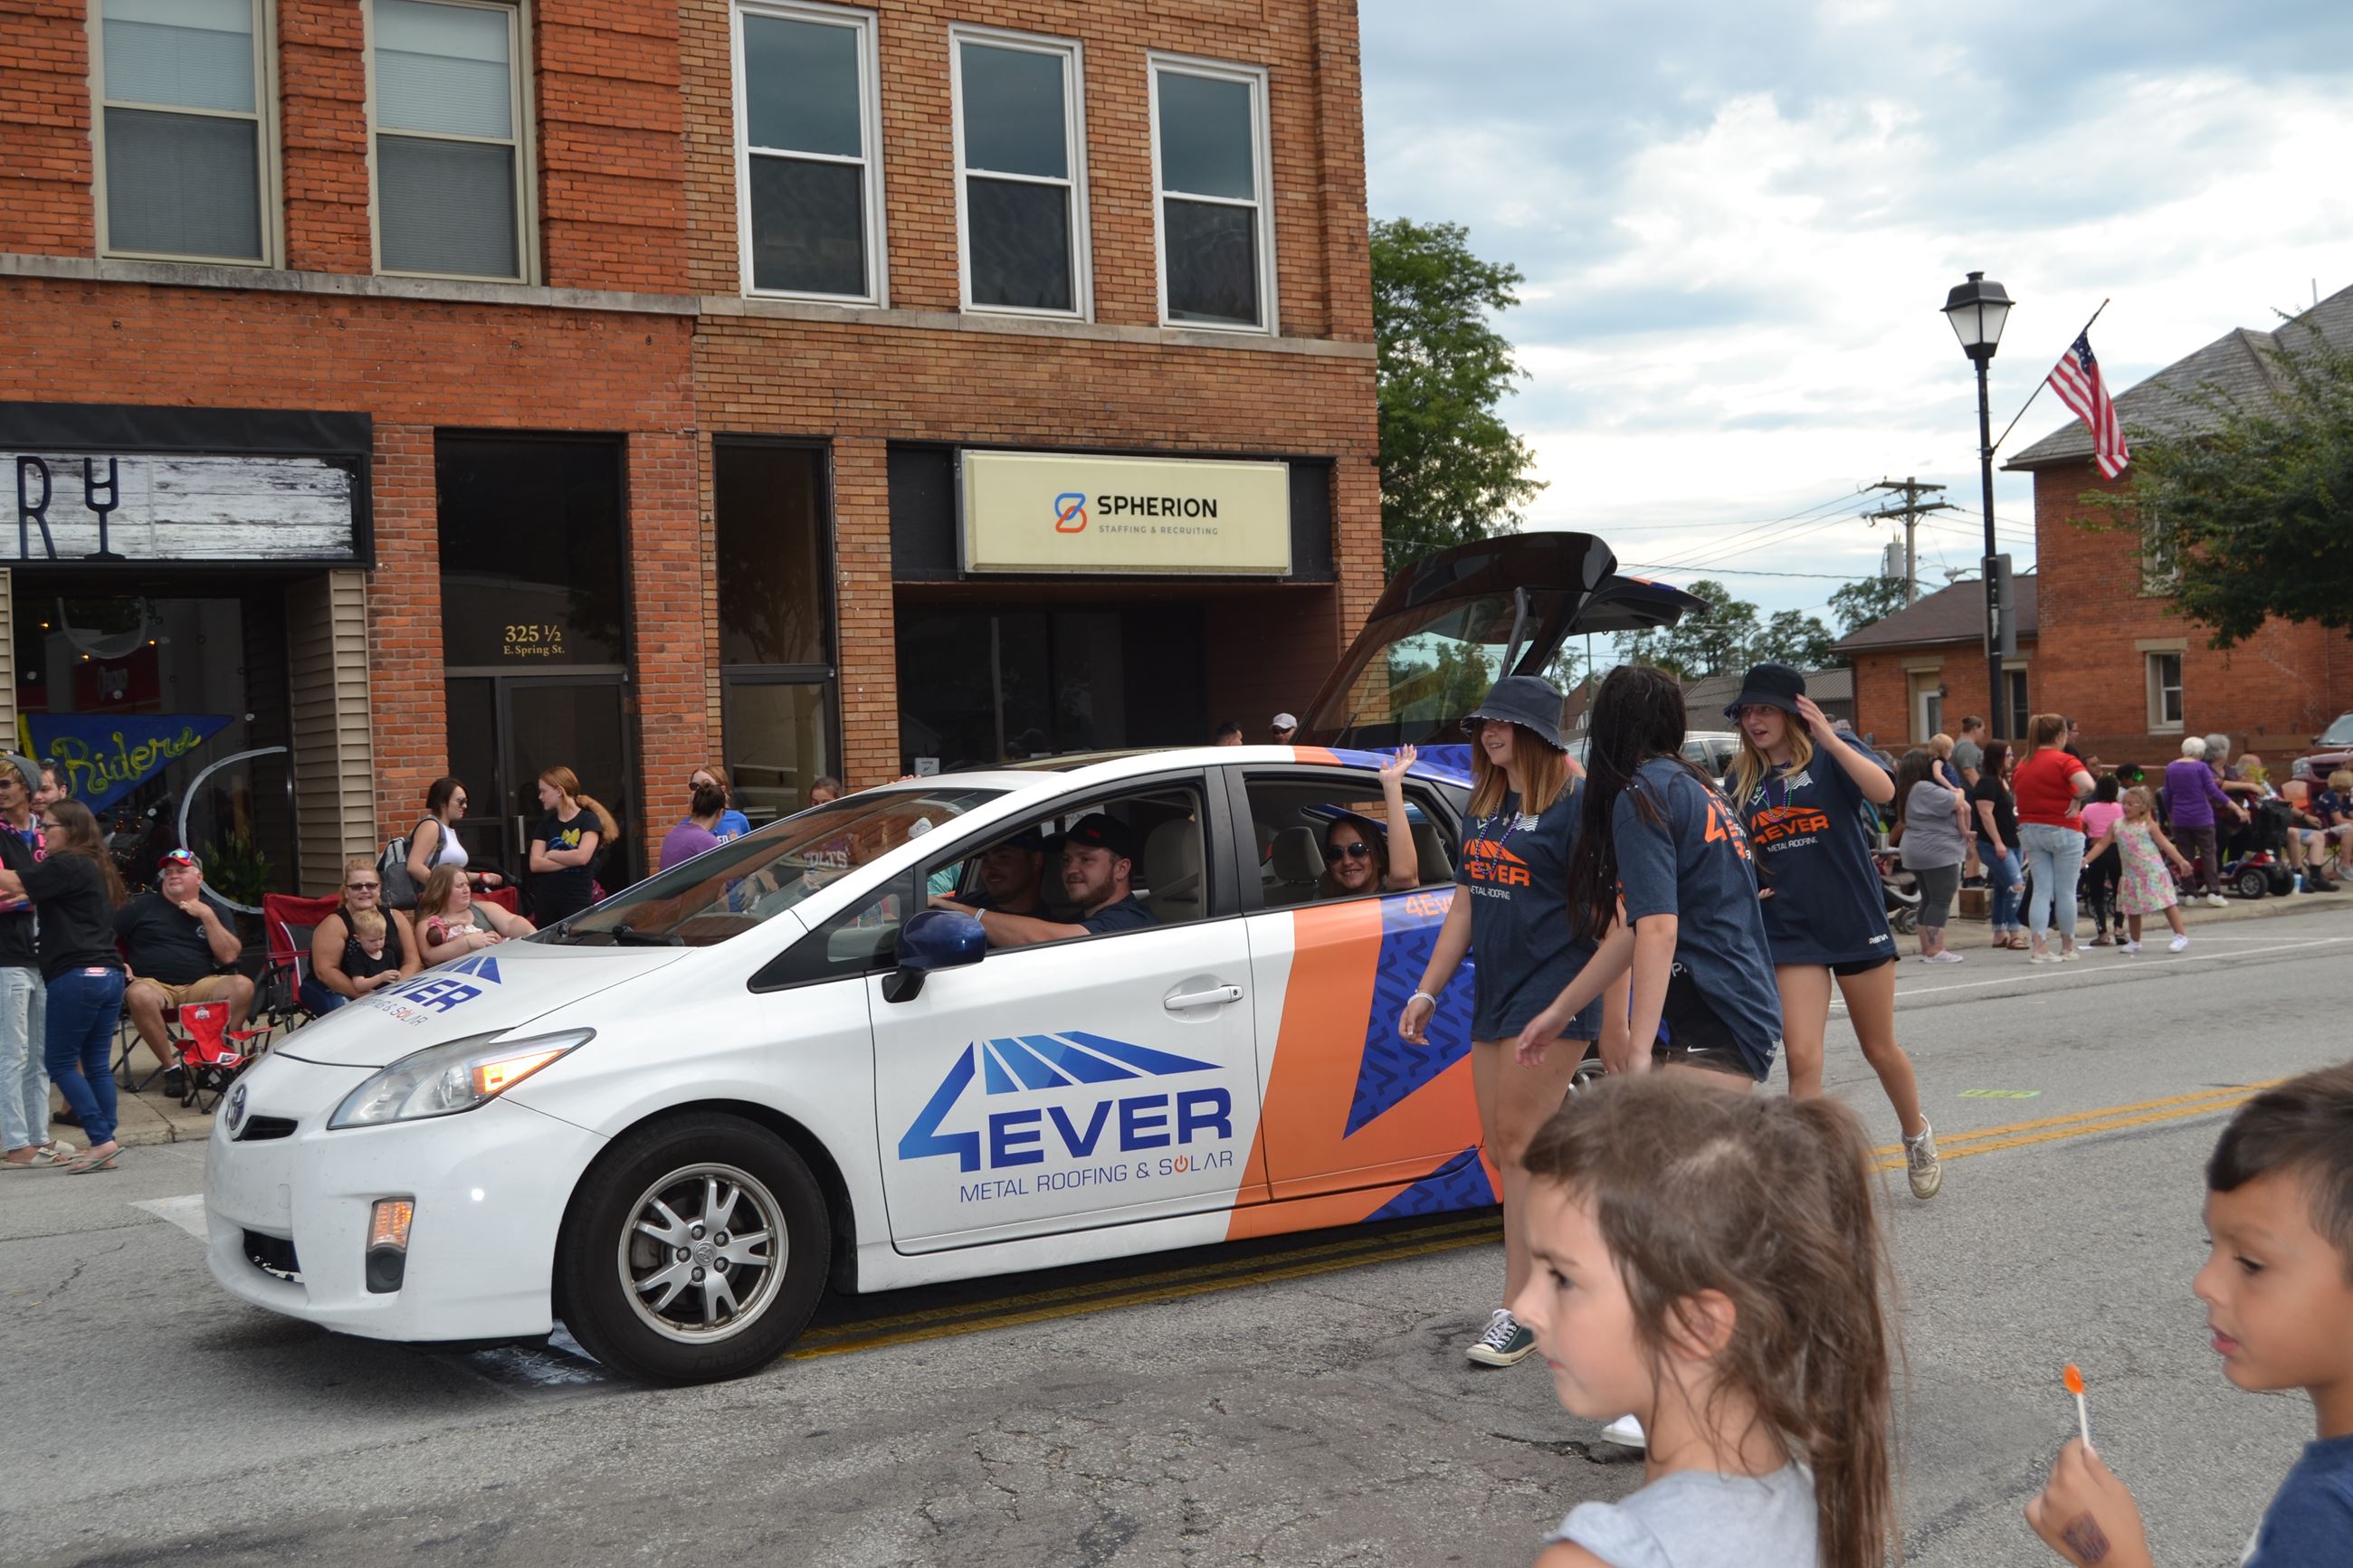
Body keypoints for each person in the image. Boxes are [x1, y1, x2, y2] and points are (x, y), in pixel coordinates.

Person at [1514, 1075, 1894, 1568]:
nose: (1524, 1306)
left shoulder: (1600, 1559)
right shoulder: (1823, 1506)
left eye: (1561, 1278)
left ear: (1696, 1325)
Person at [2026, 1062, 2353, 1568]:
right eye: (2212, 1245)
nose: (2204, 1283)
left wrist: (2112, 1557)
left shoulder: (2326, 1520)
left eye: (2250, 1262)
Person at [1396, 676, 1622, 1372]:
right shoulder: (1486, 805)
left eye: (1504, 723)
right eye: (1484, 724)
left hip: (1554, 994)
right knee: (1503, 1149)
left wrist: (1595, 1015)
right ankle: (1570, 1269)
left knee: (1521, 1145)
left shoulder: (1581, 807)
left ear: (1538, 733)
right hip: (1494, 995)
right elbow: (1464, 903)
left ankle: (1521, 1306)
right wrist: (1428, 990)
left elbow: (1621, 915)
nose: (1490, 733)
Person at [1720, 663, 1939, 1197]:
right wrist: (1750, 883)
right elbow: (1733, 850)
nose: (1754, 720)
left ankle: (1916, 1134)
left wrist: (1832, 740)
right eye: (1748, 711)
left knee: (1879, 1047)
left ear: (1794, 712)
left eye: (1765, 709)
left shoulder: (1832, 758)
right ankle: (1806, 1175)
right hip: (1791, 931)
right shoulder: (1741, 781)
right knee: (1802, 1057)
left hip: (1853, 920)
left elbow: (1884, 791)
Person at [1518, 663, 1784, 1091]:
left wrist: (1638, 1051)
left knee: (1678, 1155)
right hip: (1732, 996)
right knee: (1690, 1155)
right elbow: (1635, 928)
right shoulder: (1695, 784)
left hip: (1715, 1005)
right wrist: (1560, 1011)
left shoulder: (1643, 794)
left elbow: (1659, 929)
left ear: (1609, 726)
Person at [0, 799, 128, 1174]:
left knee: (58, 1062)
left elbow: (13, 880)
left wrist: (19, 887)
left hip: (77, 977)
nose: (42, 833)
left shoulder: (66, 863)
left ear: (69, 830)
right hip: (109, 975)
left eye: (48, 827)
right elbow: (37, 894)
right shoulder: (95, 865)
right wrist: (26, 893)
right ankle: (106, 1140)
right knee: (96, 1065)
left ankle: (101, 1139)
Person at [116, 848, 253, 1093]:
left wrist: (207, 916)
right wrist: (117, 961)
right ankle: (172, 1068)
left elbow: (229, 956)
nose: (173, 876)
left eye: (181, 870)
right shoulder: (141, 906)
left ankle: (218, 1056)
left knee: (243, 985)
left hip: (199, 984)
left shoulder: (213, 909)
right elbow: (103, 936)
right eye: (168, 872)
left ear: (199, 877)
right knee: (137, 994)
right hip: (154, 985)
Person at [935, 814, 1153, 946]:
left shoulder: (1130, 923)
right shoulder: (1075, 918)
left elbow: (1054, 941)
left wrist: (957, 911)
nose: (1071, 869)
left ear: (1121, 869)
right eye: (1067, 859)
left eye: (1086, 859)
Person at [0, 765, 62, 1168]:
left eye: (5, 784)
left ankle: (38, 1136)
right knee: (12, 1052)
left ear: (25, 787)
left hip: (49, 953)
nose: (0, 792)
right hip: (7, 955)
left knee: (40, 1053)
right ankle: (15, 1142)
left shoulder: (47, 831)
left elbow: (67, 881)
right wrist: (41, 889)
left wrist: (21, 887)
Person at [2015, 714, 2099, 962]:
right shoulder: (2065, 760)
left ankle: (2039, 947)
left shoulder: (2023, 763)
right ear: (2060, 735)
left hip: (2031, 829)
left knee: (2041, 889)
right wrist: (2076, 799)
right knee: (2065, 891)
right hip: (2064, 827)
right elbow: (2088, 785)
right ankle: (2067, 946)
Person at [304, 858, 422, 1013]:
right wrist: (363, 995)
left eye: (371, 885)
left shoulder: (396, 917)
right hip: (338, 989)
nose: (365, 890)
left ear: (379, 888)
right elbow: (326, 971)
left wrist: (398, 988)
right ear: (346, 891)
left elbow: (412, 960)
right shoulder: (334, 924)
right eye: (357, 886)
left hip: (389, 989)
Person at [2087, 786, 2194, 954]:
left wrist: (2181, 861)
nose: (2126, 807)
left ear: (2143, 807)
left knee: (2167, 903)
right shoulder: (2116, 825)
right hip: (2131, 875)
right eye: (2124, 803)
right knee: (2132, 909)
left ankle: (2180, 936)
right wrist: (2086, 859)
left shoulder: (2148, 824)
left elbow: (2165, 844)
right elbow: (2101, 844)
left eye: (2131, 804)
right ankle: (2135, 941)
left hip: (2152, 872)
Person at [1894, 747, 1969, 964]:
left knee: (1928, 899)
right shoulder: (1924, 787)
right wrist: (1959, 790)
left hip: (1918, 849)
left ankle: (1928, 949)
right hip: (1937, 850)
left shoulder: (1909, 788)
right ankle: (1936, 950)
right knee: (1940, 899)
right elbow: (1956, 799)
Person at [1319, 746, 1422, 898]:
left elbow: (1404, 877)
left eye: (1357, 850)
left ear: (1378, 857)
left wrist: (1392, 785)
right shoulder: (1322, 903)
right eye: (1335, 854)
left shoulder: (1389, 895)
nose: (1347, 861)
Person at [527, 766, 618, 925]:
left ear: (559, 791)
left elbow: (582, 857)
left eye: (544, 791)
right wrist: (570, 858)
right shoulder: (546, 825)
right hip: (547, 900)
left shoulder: (588, 820)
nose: (540, 797)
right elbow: (535, 864)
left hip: (577, 900)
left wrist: (552, 854)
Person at [2163, 736, 2244, 908]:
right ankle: (2213, 892)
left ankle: (2190, 893)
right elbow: (2214, 792)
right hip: (2202, 817)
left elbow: (2167, 795)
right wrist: (2236, 808)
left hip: (2180, 818)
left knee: (2185, 856)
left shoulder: (2171, 767)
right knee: (2209, 854)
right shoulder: (2201, 768)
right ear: (2200, 753)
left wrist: (2171, 816)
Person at [402, 776, 505, 903]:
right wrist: (442, 890)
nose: (465, 806)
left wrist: (481, 876)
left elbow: (452, 877)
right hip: (438, 903)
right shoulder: (431, 826)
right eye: (460, 801)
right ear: (442, 802)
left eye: (466, 801)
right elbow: (414, 865)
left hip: (451, 902)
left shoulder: (448, 829)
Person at [412, 865, 536, 965]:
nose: (466, 890)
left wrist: (532, 933)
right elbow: (429, 957)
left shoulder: (484, 907)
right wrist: (468, 943)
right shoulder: (427, 923)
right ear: (442, 890)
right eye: (459, 886)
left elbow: (511, 922)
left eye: (467, 884)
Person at [1971, 740, 2028, 949]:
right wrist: (1997, 842)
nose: (2011, 759)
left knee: (2003, 888)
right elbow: (1986, 814)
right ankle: (2015, 933)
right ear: (1997, 758)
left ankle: (1999, 933)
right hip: (1994, 843)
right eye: (2008, 755)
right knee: (2016, 886)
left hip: (2012, 840)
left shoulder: (2004, 781)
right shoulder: (1987, 783)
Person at [2078, 774, 2127, 946]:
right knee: (2119, 890)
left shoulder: (2089, 808)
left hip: (2096, 850)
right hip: (2117, 850)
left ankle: (2102, 933)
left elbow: (2082, 829)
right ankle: (2119, 929)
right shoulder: (2121, 809)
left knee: (2096, 892)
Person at [660, 783, 728, 871]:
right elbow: (721, 882)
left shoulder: (671, 835)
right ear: (720, 812)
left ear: (693, 807)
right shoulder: (707, 841)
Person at [688, 764, 754, 841]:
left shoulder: (739, 820)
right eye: (694, 786)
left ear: (722, 790)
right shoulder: (686, 825)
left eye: (706, 786)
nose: (698, 792)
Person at [1953, 715, 1986, 789]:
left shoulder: (1964, 744)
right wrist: (1982, 791)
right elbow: (1969, 771)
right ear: (1975, 728)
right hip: (1970, 793)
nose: (1983, 734)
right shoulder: (1967, 747)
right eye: (1983, 730)